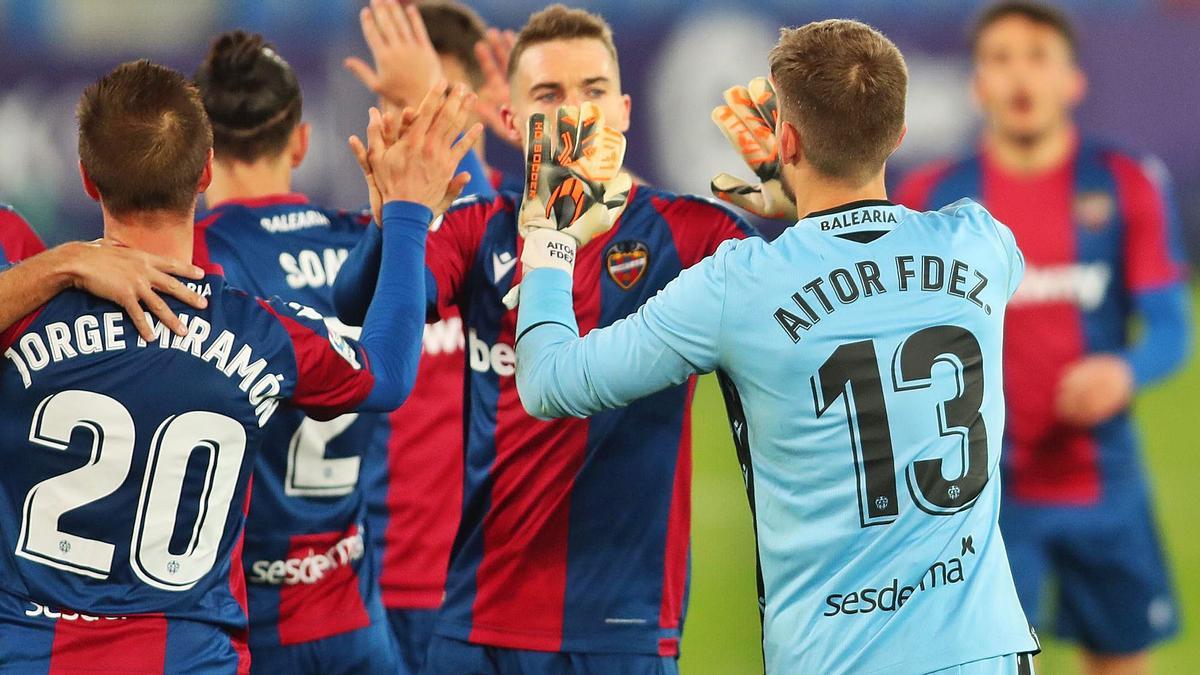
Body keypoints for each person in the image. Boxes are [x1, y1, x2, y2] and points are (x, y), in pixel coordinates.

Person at [512, 19, 1041, 674]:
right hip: (985, 651)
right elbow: (877, 261)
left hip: (835, 658)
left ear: (785, 140)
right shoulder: (979, 243)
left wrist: (548, 237)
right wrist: (809, 201)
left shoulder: (739, 285)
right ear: (899, 135)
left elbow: (549, 382)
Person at [0, 59, 477, 671]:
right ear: (204, 173)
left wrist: (60, 264)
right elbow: (386, 372)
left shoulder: (24, 317)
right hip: (195, 657)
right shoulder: (257, 332)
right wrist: (407, 215)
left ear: (87, 180)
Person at [334, 5, 755, 673]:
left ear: (622, 110)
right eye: (548, 96)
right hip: (479, 627)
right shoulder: (480, 229)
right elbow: (363, 308)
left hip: (624, 629)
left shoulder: (690, 235)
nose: (574, 113)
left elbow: (797, 295)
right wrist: (397, 215)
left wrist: (803, 198)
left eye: (592, 92)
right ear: (511, 120)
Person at [895, 3, 1190, 673]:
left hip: (1103, 486)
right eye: (1000, 58)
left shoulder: (1124, 183)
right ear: (977, 83)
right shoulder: (932, 197)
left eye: (1038, 56)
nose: (1020, 76)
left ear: (1073, 80)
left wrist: (1124, 370)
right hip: (981, 497)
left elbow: (1171, 327)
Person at [191, 30, 470, 673]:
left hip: (249, 621)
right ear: (300, 140)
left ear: (201, 155)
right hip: (353, 615)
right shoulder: (366, 244)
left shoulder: (197, 264)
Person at [341, 2, 501, 671]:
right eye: (394, 100)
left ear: (480, 96)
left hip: (484, 579)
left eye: (429, 96)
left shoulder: (529, 235)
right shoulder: (376, 242)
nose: (408, 117)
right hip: (379, 581)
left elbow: (482, 227)